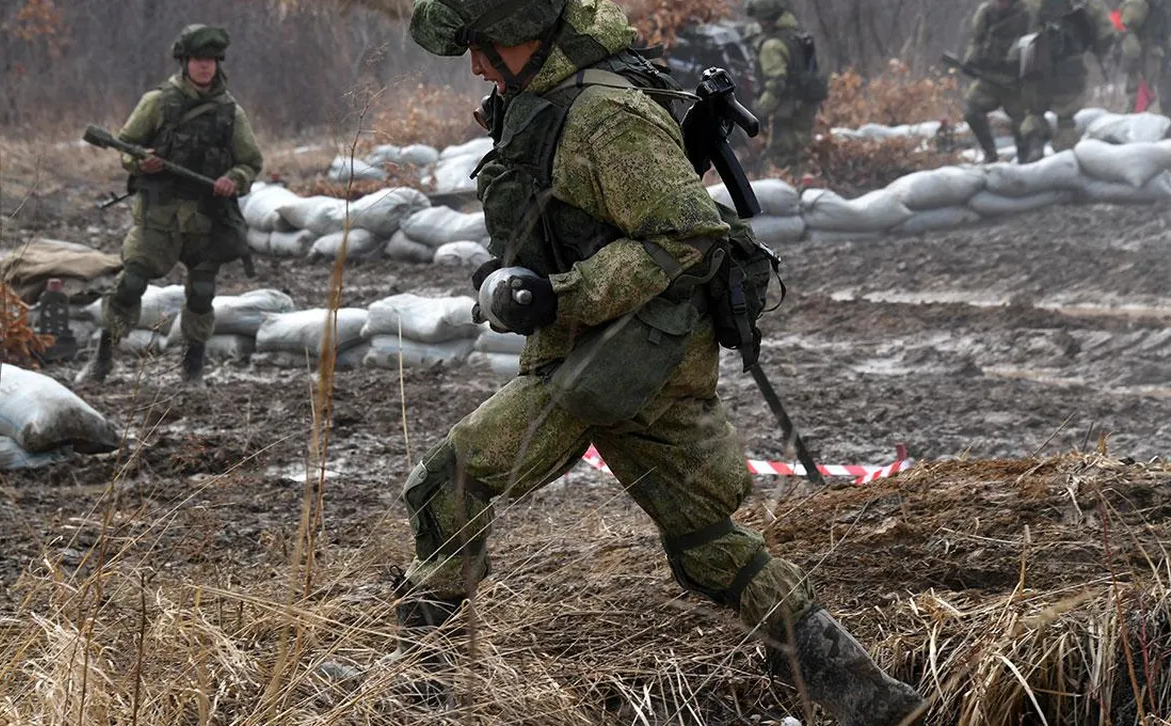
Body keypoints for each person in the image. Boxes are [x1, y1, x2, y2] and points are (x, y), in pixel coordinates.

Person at [382, 0, 925, 723]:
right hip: (615, 353)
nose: (476, 65)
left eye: (482, 47)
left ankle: (418, 691)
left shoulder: (605, 116)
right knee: (705, 545)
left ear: (524, 36)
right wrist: (512, 273)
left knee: (447, 479)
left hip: (623, 359)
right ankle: (870, 701)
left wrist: (558, 294)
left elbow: (685, 236)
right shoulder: (536, 102)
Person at [81, 24, 263, 384]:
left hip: (205, 217)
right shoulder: (157, 103)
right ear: (184, 62)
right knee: (130, 284)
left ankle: (192, 369)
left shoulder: (230, 113)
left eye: (211, 60)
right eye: (198, 59)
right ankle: (101, 360)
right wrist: (141, 162)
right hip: (159, 214)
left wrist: (235, 180)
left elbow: (251, 162)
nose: (205, 66)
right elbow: (126, 148)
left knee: (201, 292)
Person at [1019, 0, 1116, 162]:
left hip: (1036, 65)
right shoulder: (1086, 4)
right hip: (1070, 68)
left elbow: (1016, 29)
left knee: (1034, 113)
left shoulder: (1031, 3)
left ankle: (1034, 149)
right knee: (1066, 119)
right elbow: (1106, 35)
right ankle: (1065, 160)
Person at [744, 0, 828, 174]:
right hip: (805, 103)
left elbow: (776, 83)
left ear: (765, 19)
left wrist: (759, 111)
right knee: (801, 150)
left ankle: (792, 188)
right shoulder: (795, 35)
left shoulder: (772, 46)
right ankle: (803, 186)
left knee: (781, 157)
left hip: (787, 109)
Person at [962, 0, 1034, 162]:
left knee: (1021, 123)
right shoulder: (986, 13)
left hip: (1015, 81)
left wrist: (1017, 57)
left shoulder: (1026, 13)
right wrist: (971, 59)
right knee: (972, 111)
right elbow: (977, 39)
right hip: (989, 78)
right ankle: (990, 154)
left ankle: (1024, 159)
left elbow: (1033, 41)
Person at [1118, 0, 1170, 112]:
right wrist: (1132, 50)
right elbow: (1124, 26)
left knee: (1157, 96)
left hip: (1158, 56)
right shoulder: (1141, 3)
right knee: (1139, 98)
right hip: (1144, 57)